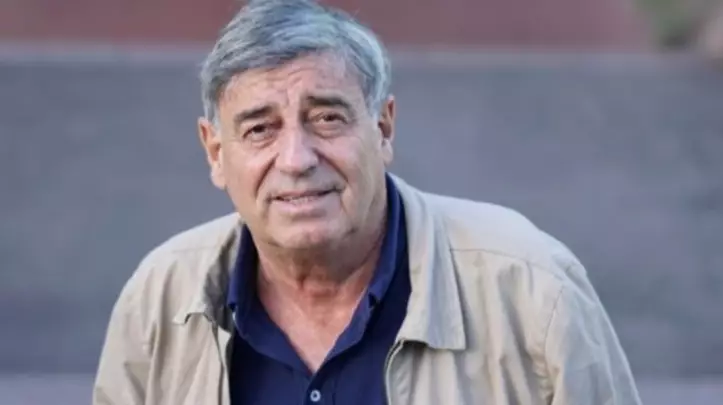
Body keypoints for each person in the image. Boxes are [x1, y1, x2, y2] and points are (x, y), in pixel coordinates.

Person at [93, 0, 642, 404]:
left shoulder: (532, 289)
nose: (296, 158)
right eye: (260, 129)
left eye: (327, 118)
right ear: (216, 153)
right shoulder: (159, 298)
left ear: (383, 128)